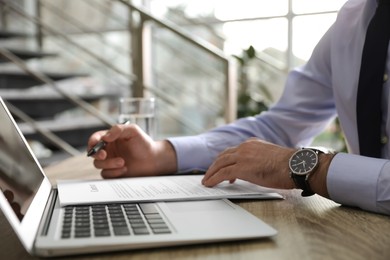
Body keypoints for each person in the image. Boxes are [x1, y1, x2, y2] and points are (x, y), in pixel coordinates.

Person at [88, 0, 390, 216]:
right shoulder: (352, 22)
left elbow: (284, 154)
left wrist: (311, 168)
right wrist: (161, 154)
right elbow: (278, 128)